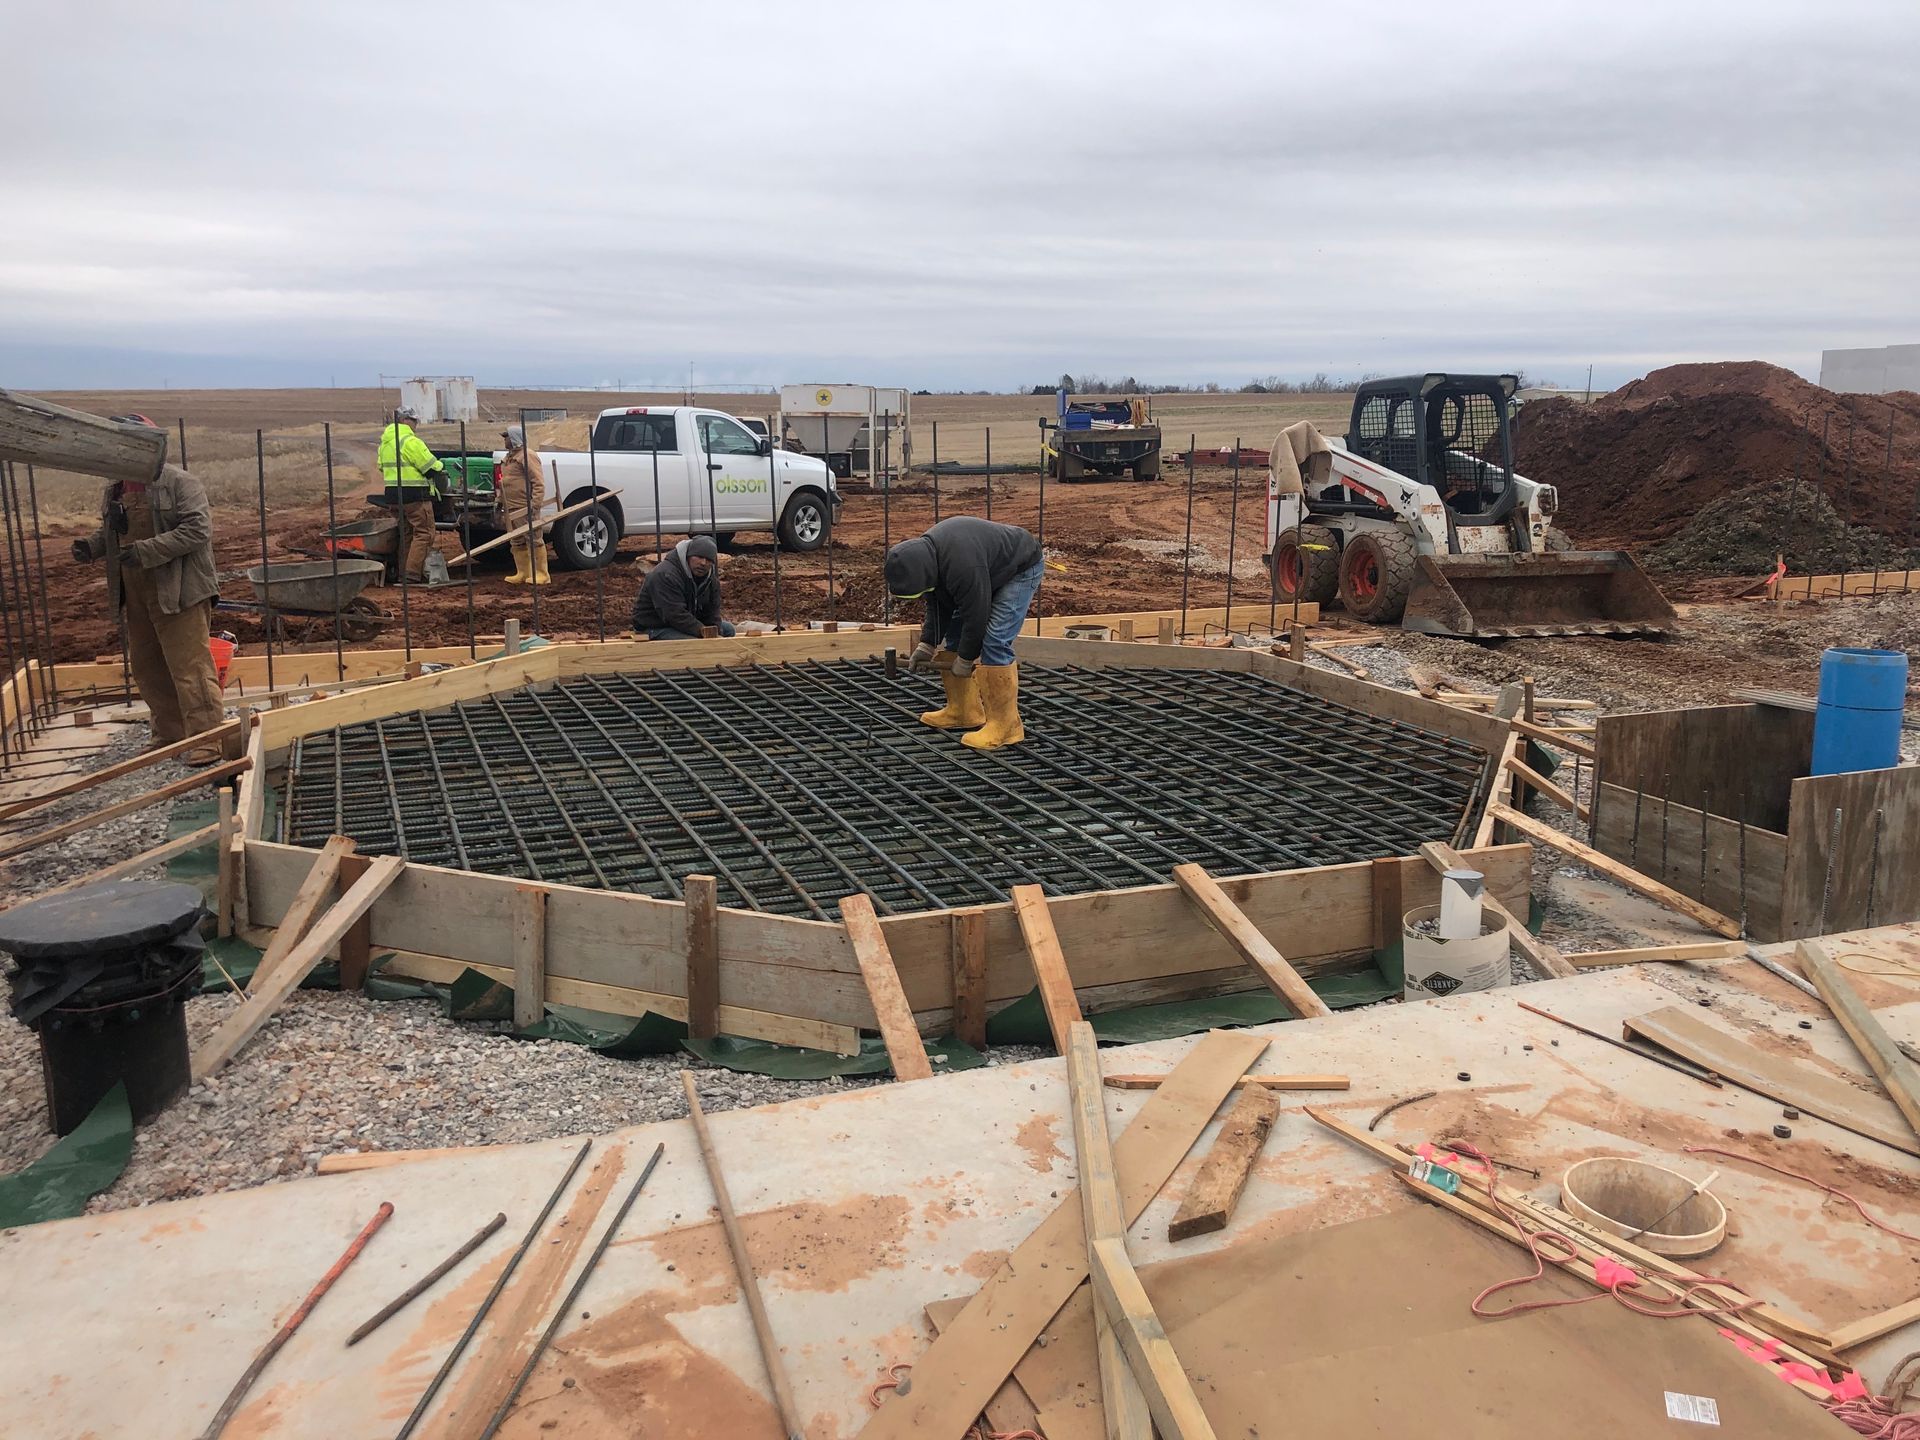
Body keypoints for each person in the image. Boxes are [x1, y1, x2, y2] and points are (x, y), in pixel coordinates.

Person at [74, 463, 230, 762]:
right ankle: (170, 734)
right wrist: (92, 546)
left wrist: (147, 550)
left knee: (189, 665)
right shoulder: (116, 487)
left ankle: (209, 738)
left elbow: (197, 529)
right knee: (147, 665)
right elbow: (111, 530)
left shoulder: (181, 482)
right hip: (136, 588)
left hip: (179, 586)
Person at [884, 516, 1044, 750]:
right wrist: (926, 645)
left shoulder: (963, 566)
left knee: (995, 639)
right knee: (956, 635)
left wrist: (966, 658)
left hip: (1019, 568)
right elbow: (937, 604)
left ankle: (1007, 726)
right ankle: (964, 711)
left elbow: (977, 616)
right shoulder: (925, 561)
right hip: (987, 567)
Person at [376, 407, 451, 582]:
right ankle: (412, 575)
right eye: (414, 420)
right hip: (415, 496)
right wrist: (441, 471)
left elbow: (381, 467)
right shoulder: (410, 441)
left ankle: (404, 573)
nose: (416, 424)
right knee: (424, 533)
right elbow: (431, 468)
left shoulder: (385, 443)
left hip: (393, 496)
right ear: (404, 421)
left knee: (407, 533)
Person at [631, 536, 736, 640]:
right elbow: (674, 614)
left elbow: (713, 613)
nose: (703, 563)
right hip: (655, 627)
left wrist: (715, 633)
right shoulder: (666, 575)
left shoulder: (711, 580)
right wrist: (702, 631)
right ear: (688, 556)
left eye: (708, 560)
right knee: (693, 643)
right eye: (699, 557)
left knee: (728, 630)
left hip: (683, 623)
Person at [497, 425, 549, 586]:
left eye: (507, 437)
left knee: (533, 539)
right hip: (511, 507)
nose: (504, 440)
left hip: (524, 507)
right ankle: (523, 572)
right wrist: (499, 501)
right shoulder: (509, 457)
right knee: (517, 540)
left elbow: (538, 482)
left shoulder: (527, 456)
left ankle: (541, 574)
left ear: (514, 439)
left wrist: (535, 504)